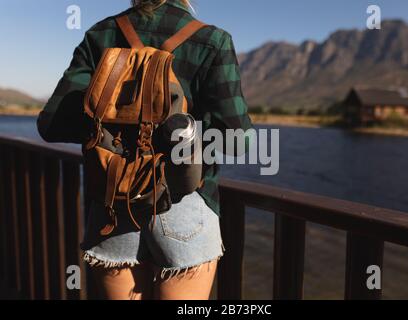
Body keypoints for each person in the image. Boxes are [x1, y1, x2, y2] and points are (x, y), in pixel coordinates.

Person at [37, 0, 252, 300]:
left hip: (113, 203)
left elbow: (52, 125)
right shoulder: (212, 40)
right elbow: (237, 140)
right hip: (183, 204)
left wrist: (112, 136)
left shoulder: (101, 35)